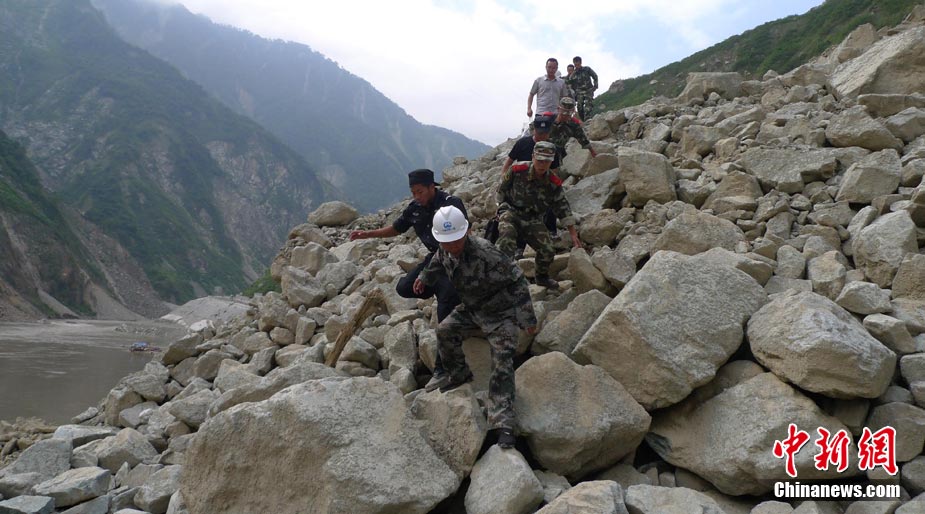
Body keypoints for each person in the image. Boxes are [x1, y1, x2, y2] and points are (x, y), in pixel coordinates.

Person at [413, 205, 537, 449]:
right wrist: (424, 277)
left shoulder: (486, 253)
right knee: (444, 331)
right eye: (447, 241)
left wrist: (528, 318)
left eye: (456, 240)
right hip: (472, 308)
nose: (452, 245)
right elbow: (437, 260)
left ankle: (503, 423)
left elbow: (517, 280)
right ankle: (458, 375)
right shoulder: (445, 249)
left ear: (466, 232)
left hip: (501, 312)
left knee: (502, 360)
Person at [349, 169, 465, 389]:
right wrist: (367, 234)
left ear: (432, 187)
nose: (417, 196)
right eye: (413, 193)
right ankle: (445, 293)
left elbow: (462, 236)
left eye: (420, 191)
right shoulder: (415, 209)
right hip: (434, 259)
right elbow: (396, 228)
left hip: (455, 258)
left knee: (445, 308)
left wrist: (434, 272)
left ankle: (443, 368)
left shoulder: (450, 205)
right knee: (404, 287)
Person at [496, 141, 582, 290]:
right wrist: (499, 209)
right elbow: (501, 190)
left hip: (533, 218)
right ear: (533, 157)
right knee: (506, 238)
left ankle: (541, 277)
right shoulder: (517, 169)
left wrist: (573, 234)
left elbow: (562, 207)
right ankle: (501, 277)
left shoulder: (553, 182)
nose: (542, 164)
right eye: (540, 160)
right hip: (511, 211)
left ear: (551, 161)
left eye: (547, 161)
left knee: (547, 250)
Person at [500, 115, 560, 257]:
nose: (542, 136)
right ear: (534, 130)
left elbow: (555, 171)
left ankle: (551, 231)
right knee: (517, 214)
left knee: (544, 209)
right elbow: (509, 162)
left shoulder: (552, 148)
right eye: (539, 133)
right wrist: (503, 177)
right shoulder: (523, 143)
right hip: (520, 185)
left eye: (545, 133)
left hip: (541, 185)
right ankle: (518, 247)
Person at [549, 97, 598, 162]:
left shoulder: (573, 125)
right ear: (558, 109)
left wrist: (592, 152)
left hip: (558, 154)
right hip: (543, 150)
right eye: (564, 112)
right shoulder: (548, 120)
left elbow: (583, 140)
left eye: (569, 113)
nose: (566, 115)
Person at [569, 56, 599, 121]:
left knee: (588, 106)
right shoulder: (573, 74)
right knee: (579, 107)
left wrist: (595, 86)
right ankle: (583, 120)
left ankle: (587, 119)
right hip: (579, 92)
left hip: (589, 90)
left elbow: (595, 76)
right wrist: (573, 94)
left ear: (580, 62)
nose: (576, 65)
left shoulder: (587, 69)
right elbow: (570, 83)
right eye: (575, 64)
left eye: (578, 64)